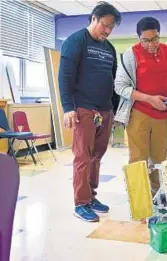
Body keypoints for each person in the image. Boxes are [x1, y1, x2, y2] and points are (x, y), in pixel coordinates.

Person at [58, 2, 121, 222]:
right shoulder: (76, 41)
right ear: (93, 18)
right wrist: (68, 108)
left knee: (97, 156)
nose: (107, 30)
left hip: (105, 110)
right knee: (83, 157)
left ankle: (91, 197)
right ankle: (81, 203)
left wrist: (114, 111)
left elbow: (113, 81)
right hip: (84, 108)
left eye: (111, 27)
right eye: (105, 25)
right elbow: (65, 76)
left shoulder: (109, 48)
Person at [114, 17, 167, 197]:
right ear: (138, 38)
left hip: (162, 114)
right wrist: (149, 99)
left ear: (159, 35)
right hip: (139, 113)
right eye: (146, 40)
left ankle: (158, 195)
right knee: (138, 159)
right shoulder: (130, 54)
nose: (151, 44)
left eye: (155, 39)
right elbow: (120, 87)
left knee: (159, 159)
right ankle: (139, 199)